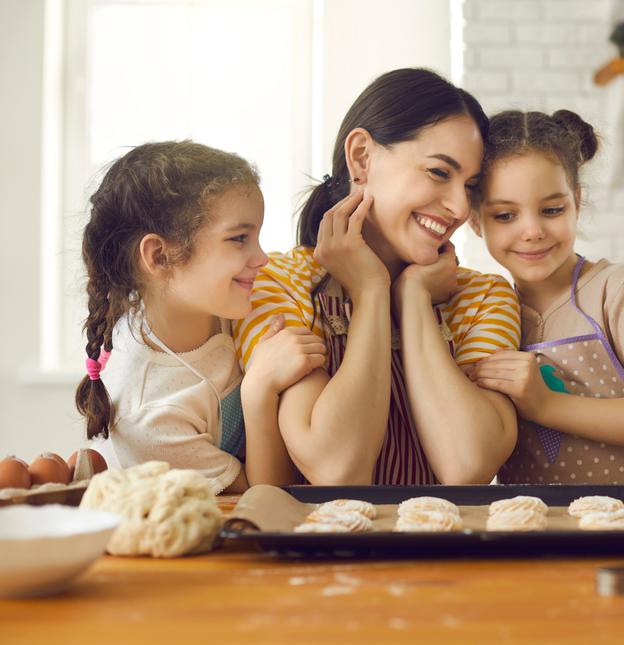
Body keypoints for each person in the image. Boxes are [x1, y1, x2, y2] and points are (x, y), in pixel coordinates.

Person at [232, 69, 520, 485]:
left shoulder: (484, 297)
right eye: (439, 172)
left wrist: (416, 298)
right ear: (362, 157)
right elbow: (337, 467)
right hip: (326, 549)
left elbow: (467, 464)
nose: (459, 207)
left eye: (470, 185)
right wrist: (371, 292)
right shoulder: (276, 282)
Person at [467, 110, 624, 486]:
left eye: (552, 210)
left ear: (576, 201)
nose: (532, 231)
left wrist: (547, 405)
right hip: (536, 533)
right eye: (505, 215)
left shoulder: (620, 289)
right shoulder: (486, 312)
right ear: (476, 221)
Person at [75, 140, 325, 494]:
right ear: (159, 256)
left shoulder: (223, 303)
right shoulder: (150, 421)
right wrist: (259, 390)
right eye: (239, 239)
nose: (262, 258)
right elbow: (259, 500)